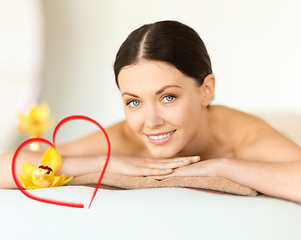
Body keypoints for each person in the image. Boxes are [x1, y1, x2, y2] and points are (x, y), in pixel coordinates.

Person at [1, 20, 301, 203]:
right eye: (134, 102)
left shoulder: (242, 134)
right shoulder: (125, 138)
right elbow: (6, 167)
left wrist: (221, 166)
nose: (151, 121)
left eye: (168, 97)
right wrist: (108, 163)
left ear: (206, 90)